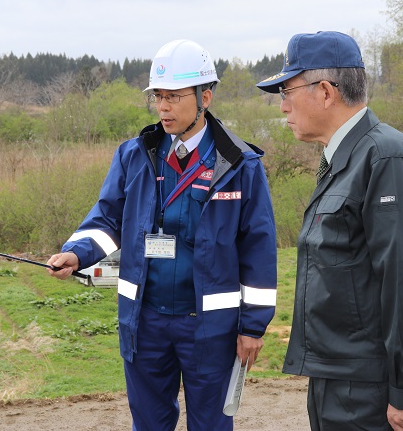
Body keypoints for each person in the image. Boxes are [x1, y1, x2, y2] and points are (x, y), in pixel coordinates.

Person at [47, 39, 277, 431]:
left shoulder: (241, 165)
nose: (163, 107)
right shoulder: (133, 156)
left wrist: (253, 326)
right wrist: (77, 252)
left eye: (173, 96)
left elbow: (258, 248)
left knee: (211, 425)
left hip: (209, 327)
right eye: (158, 97)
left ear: (205, 96)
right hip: (146, 322)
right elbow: (107, 218)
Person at [257, 31, 403, 431]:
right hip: (336, 374)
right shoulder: (345, 156)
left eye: (287, 91)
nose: (282, 107)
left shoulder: (384, 157)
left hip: (366, 386)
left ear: (324, 91)